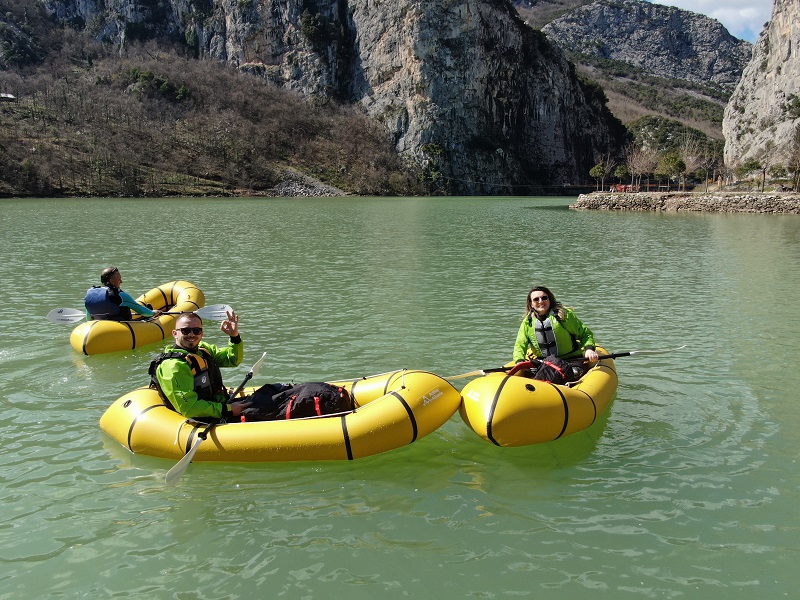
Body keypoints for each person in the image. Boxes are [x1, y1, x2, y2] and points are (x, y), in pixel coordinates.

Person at [150, 310, 253, 420]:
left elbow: (232, 359)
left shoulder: (202, 350)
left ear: (202, 333)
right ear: (175, 333)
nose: (191, 334)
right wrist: (228, 409)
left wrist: (234, 337)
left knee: (270, 393)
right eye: (185, 331)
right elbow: (189, 408)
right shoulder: (174, 366)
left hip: (219, 404)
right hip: (206, 417)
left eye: (196, 330)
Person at [512, 285, 599, 364]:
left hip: (570, 360)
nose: (540, 301)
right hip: (544, 363)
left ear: (549, 300)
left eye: (544, 298)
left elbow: (585, 334)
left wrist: (589, 349)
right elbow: (520, 344)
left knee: (574, 373)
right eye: (536, 299)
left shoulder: (563, 315)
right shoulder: (528, 322)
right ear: (531, 304)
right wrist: (519, 360)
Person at [84, 267, 161, 321]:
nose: (121, 281)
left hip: (99, 327)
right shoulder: (120, 296)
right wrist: (153, 313)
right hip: (121, 327)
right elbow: (142, 311)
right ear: (112, 281)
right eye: (119, 279)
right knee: (147, 312)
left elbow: (89, 318)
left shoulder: (91, 295)